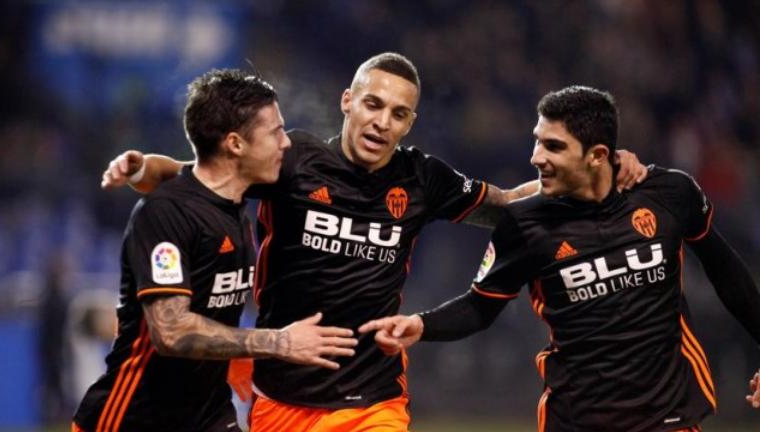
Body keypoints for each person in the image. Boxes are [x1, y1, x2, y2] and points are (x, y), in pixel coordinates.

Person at [101, 54, 647, 432]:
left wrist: (594, 168)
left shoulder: (422, 178)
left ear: (410, 122)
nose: (382, 122)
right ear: (348, 101)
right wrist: (143, 168)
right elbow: (205, 173)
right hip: (281, 394)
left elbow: (505, 204)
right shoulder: (292, 160)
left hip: (374, 396)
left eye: (398, 114)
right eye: (373, 105)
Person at [360, 85, 760, 431]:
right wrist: (420, 324)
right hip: (576, 421)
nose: (536, 157)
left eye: (553, 146)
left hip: (668, 416)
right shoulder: (524, 224)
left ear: (598, 154)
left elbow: (727, 273)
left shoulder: (669, 194)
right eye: (537, 141)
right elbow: (481, 307)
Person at [73, 69, 358, 432]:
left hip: (208, 414)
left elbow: (183, 172)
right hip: (134, 418)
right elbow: (171, 332)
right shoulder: (167, 213)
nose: (286, 143)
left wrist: (143, 167)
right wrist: (278, 342)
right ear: (235, 144)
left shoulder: (233, 202)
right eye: (275, 132)